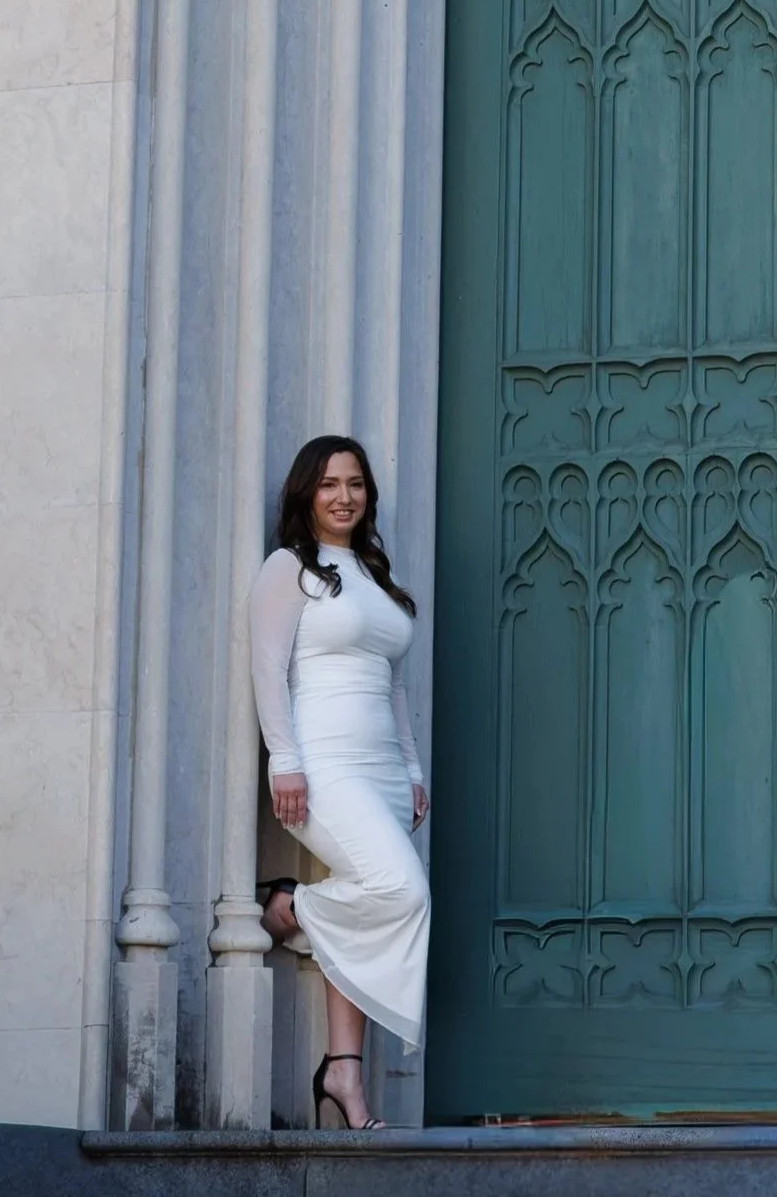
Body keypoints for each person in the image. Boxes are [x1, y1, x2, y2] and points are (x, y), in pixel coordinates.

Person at [250, 435, 432, 1129]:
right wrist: (283, 760)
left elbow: (392, 684)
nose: (344, 496)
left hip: (384, 768)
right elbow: (268, 668)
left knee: (370, 906)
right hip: (322, 766)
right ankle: (291, 902)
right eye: (329, 484)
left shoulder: (374, 578)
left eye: (355, 483)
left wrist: (412, 770)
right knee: (402, 893)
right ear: (306, 492)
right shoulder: (287, 570)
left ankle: (343, 1075)